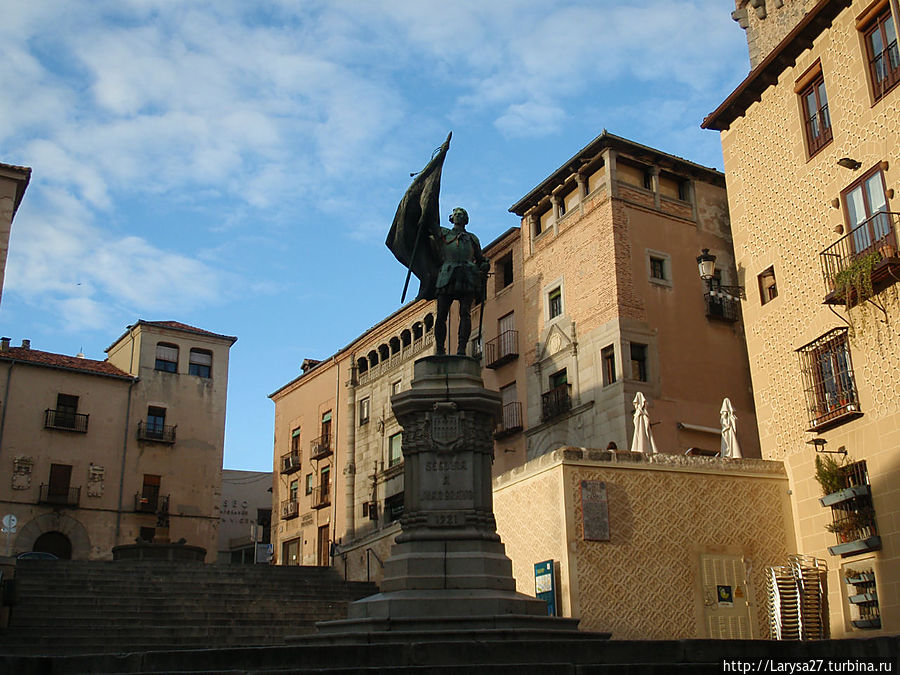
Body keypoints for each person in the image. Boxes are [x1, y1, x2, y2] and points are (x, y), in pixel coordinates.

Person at [428, 207, 489, 355]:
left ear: (465, 219)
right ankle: (440, 350)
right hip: (447, 274)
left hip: (467, 275)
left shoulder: (472, 239)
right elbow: (427, 226)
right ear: (451, 218)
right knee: (441, 314)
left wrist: (485, 264)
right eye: (455, 214)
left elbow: (480, 258)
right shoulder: (444, 233)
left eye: (461, 214)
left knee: (465, 312)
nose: (458, 216)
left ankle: (462, 348)